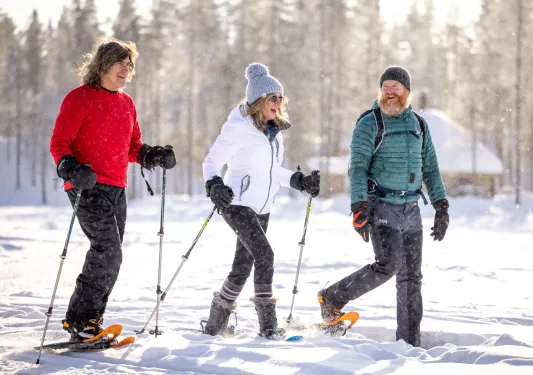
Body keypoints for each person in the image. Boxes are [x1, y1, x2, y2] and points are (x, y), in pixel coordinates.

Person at [49, 38, 176, 341]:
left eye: (129, 64)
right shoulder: (79, 98)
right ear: (102, 65)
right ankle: (78, 320)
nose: (126, 68)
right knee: (106, 249)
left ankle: (91, 320)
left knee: (113, 255)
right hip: (87, 185)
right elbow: (59, 143)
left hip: (116, 186)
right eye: (120, 62)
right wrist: (70, 168)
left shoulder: (126, 103)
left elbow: (133, 147)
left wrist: (153, 155)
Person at [317, 66, 449, 347]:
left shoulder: (419, 125)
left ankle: (409, 341)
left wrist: (441, 205)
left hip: (411, 209)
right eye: (386, 87)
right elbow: (357, 167)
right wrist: (358, 206)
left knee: (412, 276)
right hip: (382, 206)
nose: (390, 92)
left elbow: (431, 168)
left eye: (395, 87)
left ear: (407, 92)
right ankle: (332, 298)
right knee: (387, 266)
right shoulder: (369, 123)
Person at [201, 63, 320, 340]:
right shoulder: (238, 128)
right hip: (237, 203)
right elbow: (212, 161)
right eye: (273, 98)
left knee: (242, 267)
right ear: (258, 101)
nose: (279, 103)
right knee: (265, 256)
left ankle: (215, 325)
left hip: (262, 207)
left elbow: (273, 172)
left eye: (281, 98)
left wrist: (299, 181)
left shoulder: (274, 132)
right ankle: (268, 327)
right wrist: (214, 184)